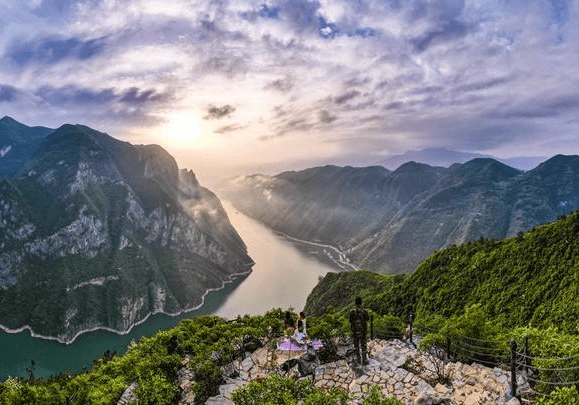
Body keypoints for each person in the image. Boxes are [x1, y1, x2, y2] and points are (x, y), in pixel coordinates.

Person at [349, 297, 369, 365]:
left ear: (355, 303)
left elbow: (350, 321)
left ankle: (358, 360)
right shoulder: (364, 311)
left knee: (356, 346)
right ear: (361, 302)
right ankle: (364, 359)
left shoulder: (352, 312)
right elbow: (367, 319)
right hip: (363, 331)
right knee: (363, 345)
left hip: (355, 332)